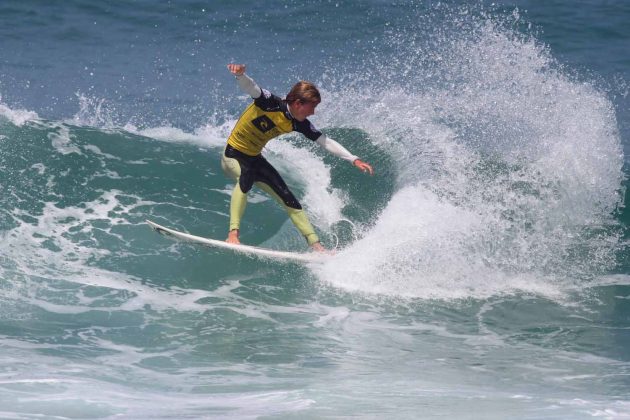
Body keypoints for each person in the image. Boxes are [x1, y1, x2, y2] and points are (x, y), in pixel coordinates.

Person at [222, 64, 373, 252]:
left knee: (289, 198)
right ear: (298, 103)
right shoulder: (270, 103)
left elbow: (324, 141)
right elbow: (252, 88)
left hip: (254, 157)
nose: (313, 112)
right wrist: (241, 75)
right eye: (312, 107)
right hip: (233, 155)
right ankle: (232, 235)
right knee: (246, 176)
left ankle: (318, 248)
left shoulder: (298, 123)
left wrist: (353, 159)